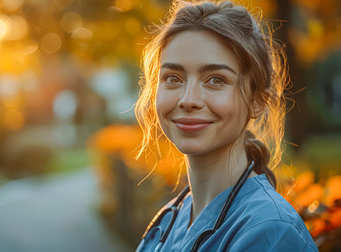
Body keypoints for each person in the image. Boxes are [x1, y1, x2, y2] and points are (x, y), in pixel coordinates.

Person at [134, 0, 318, 251]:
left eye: (215, 80)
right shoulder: (168, 220)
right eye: (173, 78)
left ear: (257, 101)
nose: (188, 100)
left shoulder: (271, 233)